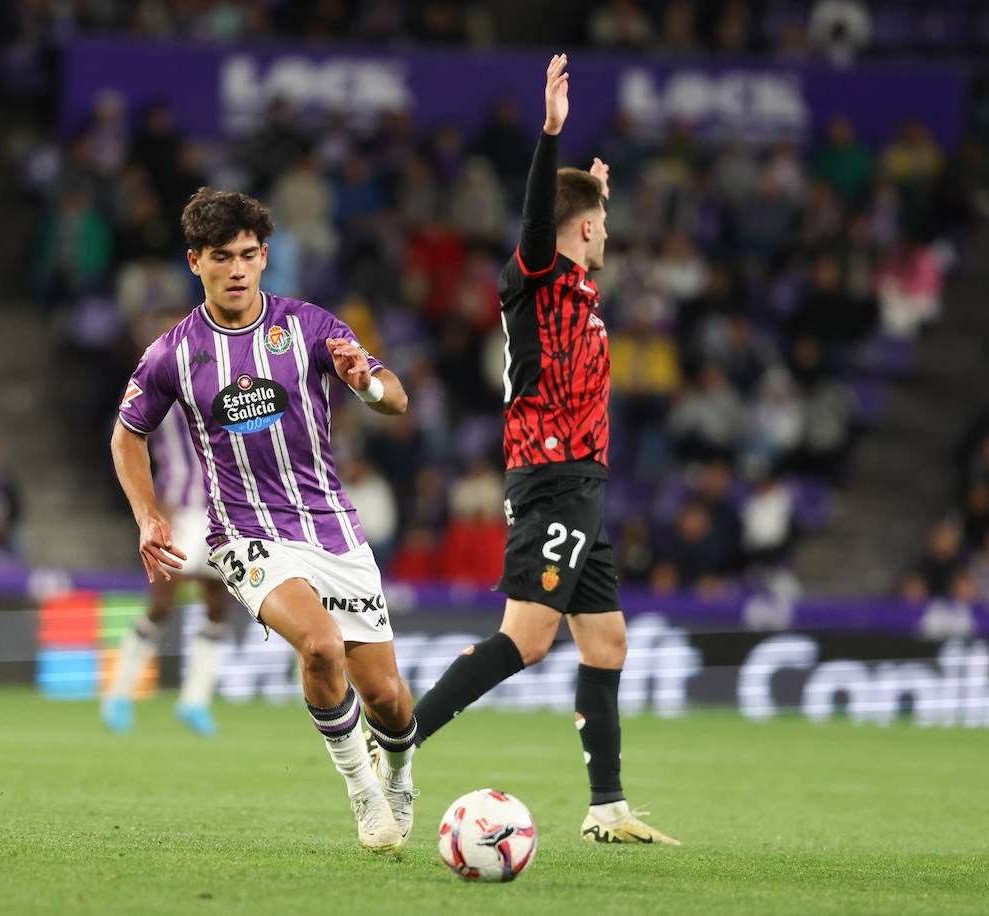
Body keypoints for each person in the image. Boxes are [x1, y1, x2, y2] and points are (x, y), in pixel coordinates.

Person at [410, 54, 680, 846]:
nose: (607, 235)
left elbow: (570, 218)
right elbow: (541, 221)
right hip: (553, 477)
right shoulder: (534, 277)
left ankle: (607, 809)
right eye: (602, 225)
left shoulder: (581, 289)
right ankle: (396, 744)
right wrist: (551, 137)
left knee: (607, 640)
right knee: (527, 638)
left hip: (583, 485)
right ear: (586, 230)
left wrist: (592, 190)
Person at [111, 187, 418, 852]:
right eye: (222, 257)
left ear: (265, 256)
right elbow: (126, 435)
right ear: (196, 262)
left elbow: (396, 397)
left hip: (332, 527)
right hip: (244, 534)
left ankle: (398, 774)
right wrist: (148, 514)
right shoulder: (172, 353)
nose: (238, 269)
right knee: (320, 646)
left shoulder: (307, 326)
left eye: (249, 255)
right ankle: (364, 793)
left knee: (389, 698)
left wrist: (364, 381)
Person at [102, 313, 233, 737]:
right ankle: (119, 694)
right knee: (163, 601)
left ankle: (195, 701)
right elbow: (132, 436)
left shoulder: (222, 378)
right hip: (183, 508)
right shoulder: (163, 382)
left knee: (217, 602)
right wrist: (159, 508)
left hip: (223, 512)